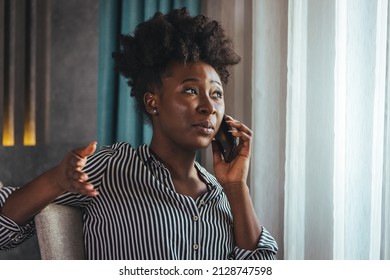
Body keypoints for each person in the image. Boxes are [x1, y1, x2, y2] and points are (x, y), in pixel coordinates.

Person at [0, 7, 277, 260]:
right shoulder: (111, 167)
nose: (208, 107)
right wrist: (57, 180)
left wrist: (236, 186)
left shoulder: (221, 195)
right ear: (152, 102)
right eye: (191, 90)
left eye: (216, 94)